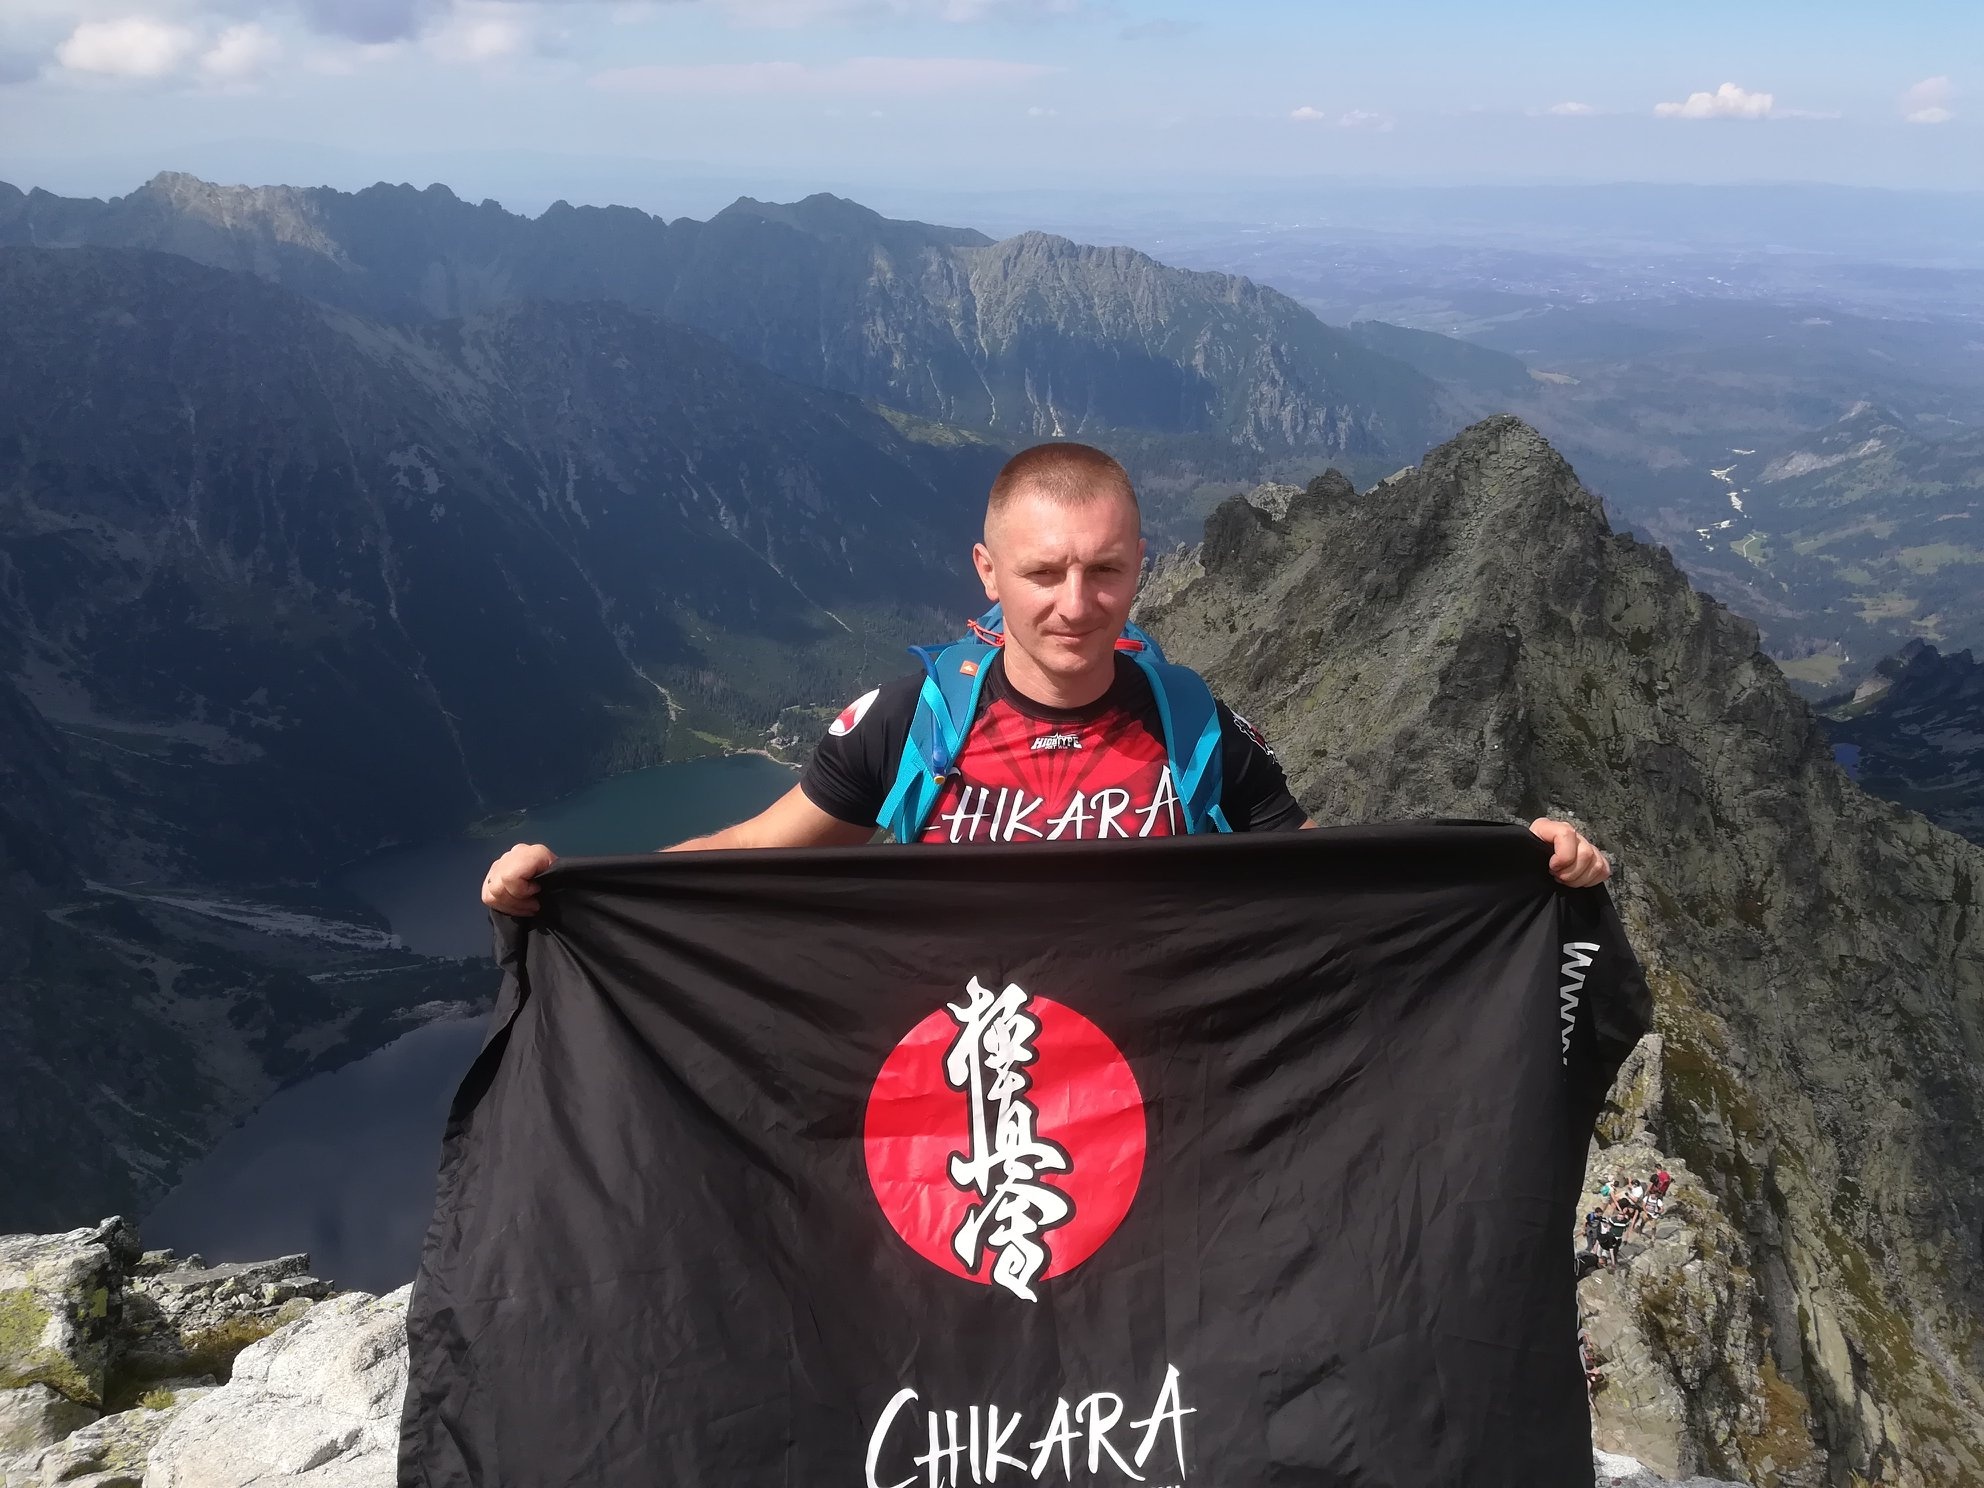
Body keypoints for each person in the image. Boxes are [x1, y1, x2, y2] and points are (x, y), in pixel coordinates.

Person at [482, 443, 1613, 912]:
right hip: (964, 1084)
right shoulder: (915, 718)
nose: (1077, 604)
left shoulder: (1191, 726)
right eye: (1043, 573)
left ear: (1140, 569)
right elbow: (748, 853)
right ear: (988, 573)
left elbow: (1329, 878)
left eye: (1106, 570)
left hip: (1144, 1085)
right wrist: (573, 887)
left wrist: (1510, 870)